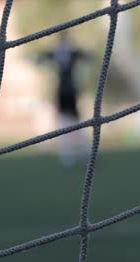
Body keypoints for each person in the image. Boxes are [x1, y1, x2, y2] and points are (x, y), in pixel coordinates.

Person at [37, 31, 91, 167]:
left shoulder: (61, 52)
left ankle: (74, 155)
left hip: (66, 91)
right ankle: (75, 155)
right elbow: (87, 57)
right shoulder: (68, 52)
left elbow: (40, 58)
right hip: (67, 91)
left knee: (69, 123)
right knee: (71, 123)